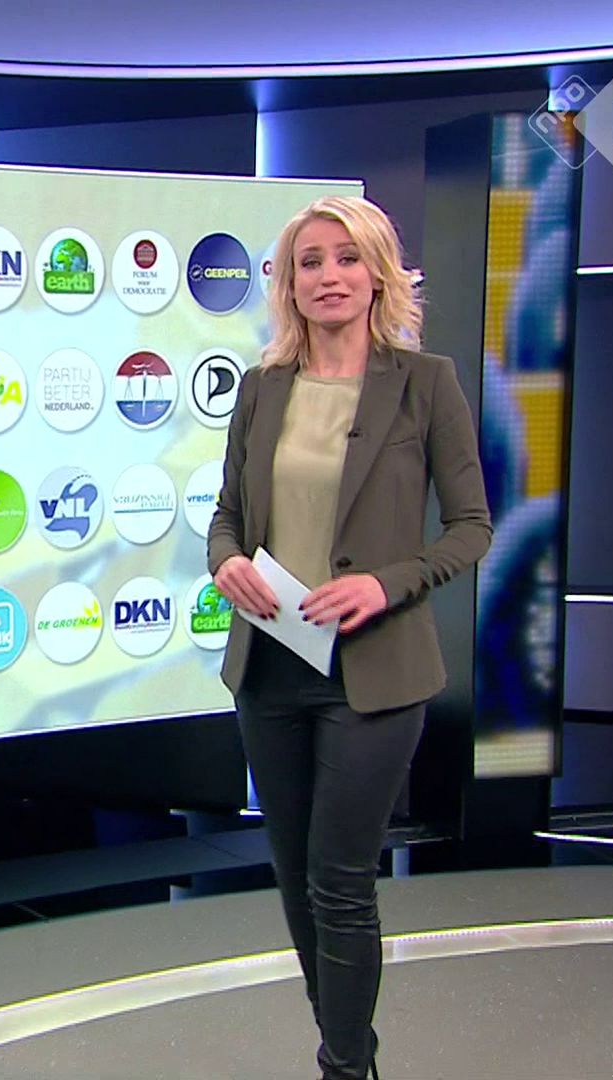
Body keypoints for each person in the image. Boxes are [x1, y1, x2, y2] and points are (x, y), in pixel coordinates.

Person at [207, 195, 491, 1080]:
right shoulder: (261, 388)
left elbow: (472, 528)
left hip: (374, 673)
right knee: (296, 880)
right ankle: (351, 1052)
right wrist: (225, 563)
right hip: (271, 666)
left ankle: (341, 1066)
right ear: (289, 285)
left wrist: (385, 583)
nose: (328, 276)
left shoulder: (425, 382)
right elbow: (226, 515)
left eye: (346, 258)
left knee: (339, 878)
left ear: (377, 273)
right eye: (310, 262)